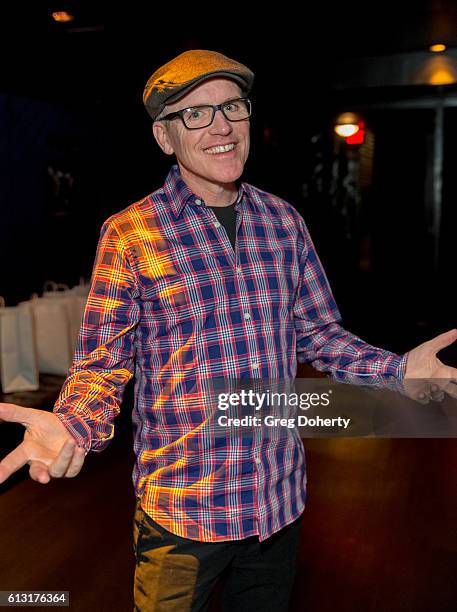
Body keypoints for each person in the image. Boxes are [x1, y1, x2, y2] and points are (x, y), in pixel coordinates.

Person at [0, 50, 456, 612]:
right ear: (165, 137)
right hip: (184, 511)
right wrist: (73, 422)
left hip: (277, 504)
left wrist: (399, 369)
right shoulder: (130, 233)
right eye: (195, 114)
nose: (220, 125)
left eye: (232, 106)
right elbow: (104, 361)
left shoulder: (284, 222)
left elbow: (318, 334)